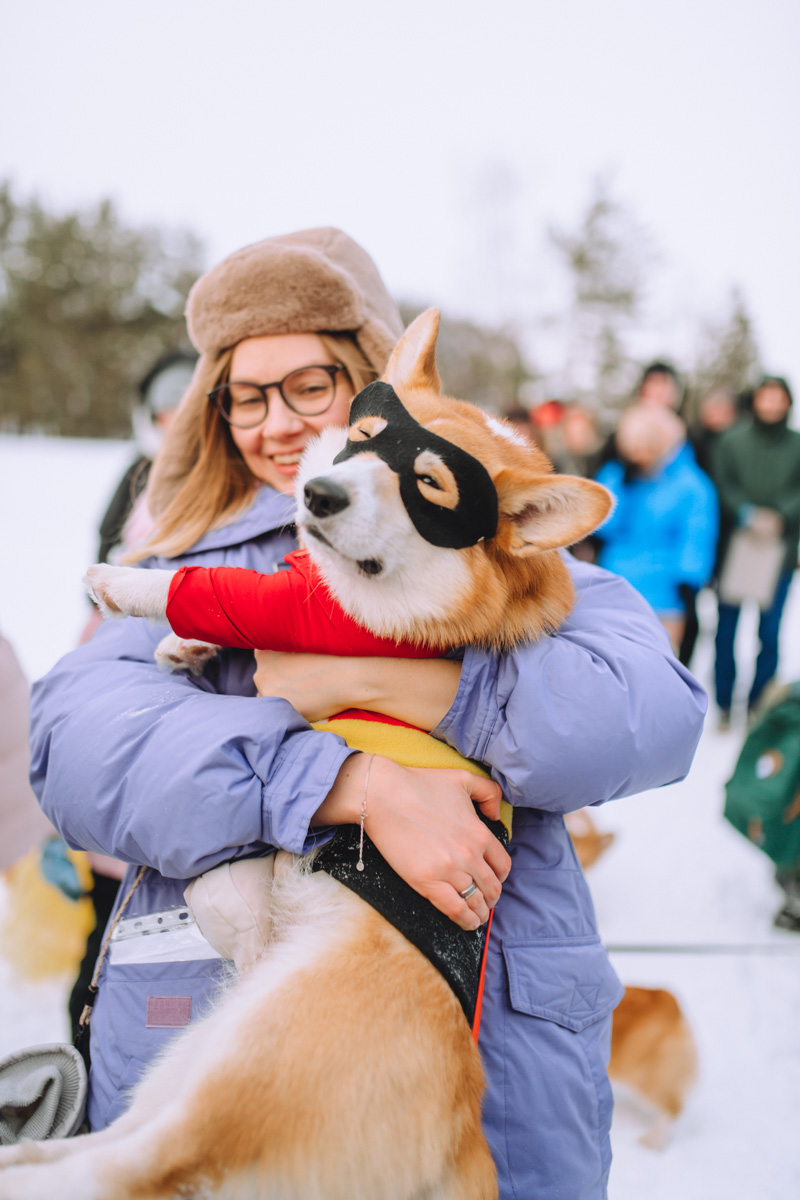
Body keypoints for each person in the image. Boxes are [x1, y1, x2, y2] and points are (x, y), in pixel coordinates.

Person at [28, 227, 706, 1199]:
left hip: (492, 1071)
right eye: (245, 395)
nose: (277, 424)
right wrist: (341, 781)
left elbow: (647, 714)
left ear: (375, 381)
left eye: (310, 385)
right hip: (221, 1050)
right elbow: (78, 746)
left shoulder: (502, 557)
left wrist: (433, 691)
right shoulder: (180, 566)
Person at [712, 375, 800, 730]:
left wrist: (780, 513)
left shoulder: (796, 444)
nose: (771, 405)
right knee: (726, 630)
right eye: (766, 398)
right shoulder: (733, 441)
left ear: (787, 403)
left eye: (778, 399)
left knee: (769, 632)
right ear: (756, 401)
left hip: (779, 551)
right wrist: (746, 511)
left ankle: (757, 704)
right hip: (738, 547)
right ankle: (722, 703)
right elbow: (723, 482)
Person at [594, 404, 719, 655]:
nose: (640, 454)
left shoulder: (690, 484)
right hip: (616, 585)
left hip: (665, 592)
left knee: (662, 662)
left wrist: (689, 579)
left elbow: (697, 534)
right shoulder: (616, 476)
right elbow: (601, 525)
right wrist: (622, 490)